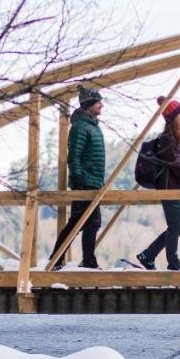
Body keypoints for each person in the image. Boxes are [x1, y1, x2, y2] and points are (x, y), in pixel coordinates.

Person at [136, 96, 180, 270]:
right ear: (172, 118)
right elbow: (176, 166)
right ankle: (173, 262)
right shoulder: (167, 139)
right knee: (175, 226)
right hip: (169, 189)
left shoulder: (175, 139)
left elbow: (178, 168)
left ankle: (147, 255)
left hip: (177, 189)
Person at [51, 85, 106, 268]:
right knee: (78, 222)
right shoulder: (81, 127)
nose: (101, 105)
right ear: (88, 103)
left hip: (93, 182)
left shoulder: (91, 125)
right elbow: (73, 156)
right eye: (98, 101)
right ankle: (57, 259)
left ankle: (87, 260)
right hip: (85, 183)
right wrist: (80, 179)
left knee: (91, 222)